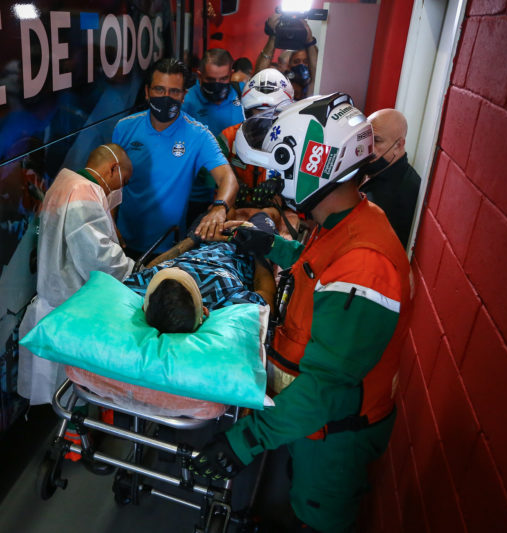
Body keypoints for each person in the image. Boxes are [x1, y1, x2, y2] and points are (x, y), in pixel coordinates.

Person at [192, 94, 412, 533]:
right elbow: (318, 266)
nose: (274, 179)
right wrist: (270, 246)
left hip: (332, 433)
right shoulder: (345, 218)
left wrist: (243, 443)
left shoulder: (366, 265)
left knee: (315, 518)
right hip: (313, 421)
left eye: (281, 168)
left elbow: (325, 392)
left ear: (317, 164)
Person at [17, 143, 135, 405]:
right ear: (113, 168)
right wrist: (133, 270)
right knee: (73, 393)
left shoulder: (65, 181)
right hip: (72, 309)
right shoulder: (85, 195)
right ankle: (73, 432)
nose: (119, 191)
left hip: (55, 300)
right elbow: (99, 258)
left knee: (59, 388)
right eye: (122, 182)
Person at [112, 58, 237, 261]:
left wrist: (219, 208)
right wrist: (109, 223)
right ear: (147, 92)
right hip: (121, 242)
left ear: (184, 96)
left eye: (174, 92)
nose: (166, 97)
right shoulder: (125, 128)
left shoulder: (199, 135)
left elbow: (227, 178)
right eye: (159, 90)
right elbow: (113, 184)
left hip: (168, 247)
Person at [125, 210, 279, 327]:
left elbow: (146, 268)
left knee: (221, 210)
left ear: (145, 306)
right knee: (267, 212)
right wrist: (259, 251)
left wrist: (194, 238)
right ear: (205, 312)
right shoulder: (228, 299)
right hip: (242, 247)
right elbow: (267, 299)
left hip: (201, 241)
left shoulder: (145, 288)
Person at [182, 49, 248, 227]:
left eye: (223, 79)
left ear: (231, 75)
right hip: (196, 195)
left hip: (236, 193)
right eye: (210, 80)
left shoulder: (241, 93)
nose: (217, 85)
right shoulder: (186, 102)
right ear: (199, 75)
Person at [218, 68, 293, 207]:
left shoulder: (296, 142)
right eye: (259, 110)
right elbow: (207, 175)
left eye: (274, 111)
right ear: (247, 110)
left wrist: (280, 184)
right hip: (235, 210)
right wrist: (230, 181)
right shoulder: (228, 137)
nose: (265, 117)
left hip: (275, 214)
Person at [359, 109, 422, 248]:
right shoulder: (378, 171)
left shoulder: (399, 194)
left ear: (398, 145)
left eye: (376, 140)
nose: (368, 147)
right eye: (366, 138)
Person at [254, 13, 318, 98]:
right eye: (296, 61)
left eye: (306, 62)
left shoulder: (312, 90)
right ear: (289, 65)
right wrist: (273, 36)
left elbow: (317, 75)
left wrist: (309, 41)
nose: (301, 65)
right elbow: (259, 75)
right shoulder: (279, 87)